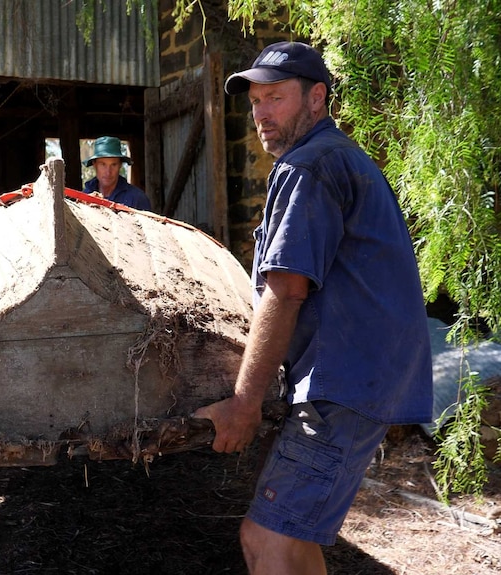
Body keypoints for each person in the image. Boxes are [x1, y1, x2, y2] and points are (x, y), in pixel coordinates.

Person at [191, 42, 432, 575]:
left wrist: (244, 403)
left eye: (274, 98)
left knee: (266, 540)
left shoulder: (310, 166)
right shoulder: (340, 157)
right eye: (254, 102)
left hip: (341, 386)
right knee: (294, 542)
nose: (261, 115)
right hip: (359, 379)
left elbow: (286, 289)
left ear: (316, 97)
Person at [82, 136, 152, 210]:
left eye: (113, 165)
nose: (108, 172)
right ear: (94, 165)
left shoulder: (137, 199)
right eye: (103, 164)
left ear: (120, 165)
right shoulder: (83, 198)